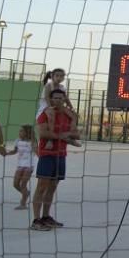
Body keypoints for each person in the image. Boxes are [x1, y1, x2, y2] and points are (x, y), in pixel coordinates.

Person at [33, 89, 73, 230]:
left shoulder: (68, 115)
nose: (58, 100)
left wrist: (63, 135)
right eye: (55, 98)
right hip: (47, 155)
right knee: (42, 187)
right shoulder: (45, 114)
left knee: (52, 187)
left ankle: (46, 217)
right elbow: (43, 133)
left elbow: (76, 133)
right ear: (50, 99)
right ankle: (36, 220)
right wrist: (63, 136)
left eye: (60, 98)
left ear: (64, 99)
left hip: (61, 155)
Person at [37, 69, 81, 149]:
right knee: (51, 115)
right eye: (57, 76)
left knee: (73, 115)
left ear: (63, 78)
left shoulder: (62, 87)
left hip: (59, 106)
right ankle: (50, 140)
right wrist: (51, 107)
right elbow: (47, 97)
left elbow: (66, 99)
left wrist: (72, 109)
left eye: (61, 76)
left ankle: (71, 137)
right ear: (52, 76)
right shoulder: (48, 85)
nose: (59, 78)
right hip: (46, 106)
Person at [5, 125, 36, 209]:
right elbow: (15, 151)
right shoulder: (17, 141)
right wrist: (7, 153)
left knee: (23, 185)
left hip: (29, 166)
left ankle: (23, 203)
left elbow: (37, 152)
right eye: (19, 131)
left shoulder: (32, 142)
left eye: (22, 131)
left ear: (27, 132)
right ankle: (26, 193)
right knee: (15, 184)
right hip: (20, 165)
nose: (19, 133)